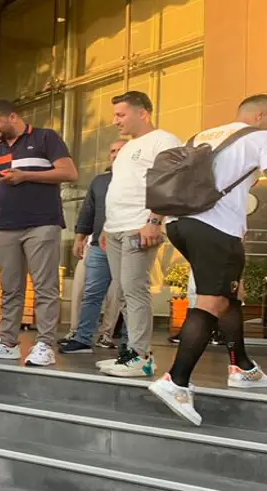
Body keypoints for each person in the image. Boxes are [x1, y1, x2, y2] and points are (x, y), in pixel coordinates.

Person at [150, 94, 267, 426]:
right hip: (216, 228)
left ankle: (242, 366)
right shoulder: (259, 137)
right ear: (261, 116)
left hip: (180, 224)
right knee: (211, 301)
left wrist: (154, 221)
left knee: (228, 294)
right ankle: (176, 381)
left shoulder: (202, 136)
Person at [0, 100, 78, 367]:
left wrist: (26, 176)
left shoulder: (45, 138)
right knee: (11, 288)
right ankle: (7, 343)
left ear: (12, 117)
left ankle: (45, 344)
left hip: (41, 223)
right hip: (5, 226)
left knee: (45, 287)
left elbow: (69, 172)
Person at [99, 91, 182, 377]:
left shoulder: (164, 140)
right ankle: (131, 352)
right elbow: (122, 188)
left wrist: (154, 221)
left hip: (139, 225)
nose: (115, 121)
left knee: (134, 289)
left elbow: (171, 183)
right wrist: (107, 226)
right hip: (116, 228)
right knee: (123, 292)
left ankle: (141, 356)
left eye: (121, 114)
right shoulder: (127, 148)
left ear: (142, 113)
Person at [61, 140, 128, 354]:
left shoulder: (139, 178)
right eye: (113, 150)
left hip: (127, 245)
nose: (115, 154)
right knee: (92, 294)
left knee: (128, 296)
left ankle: (131, 345)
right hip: (99, 245)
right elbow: (88, 211)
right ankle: (83, 339)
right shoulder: (100, 181)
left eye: (121, 150)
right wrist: (80, 237)